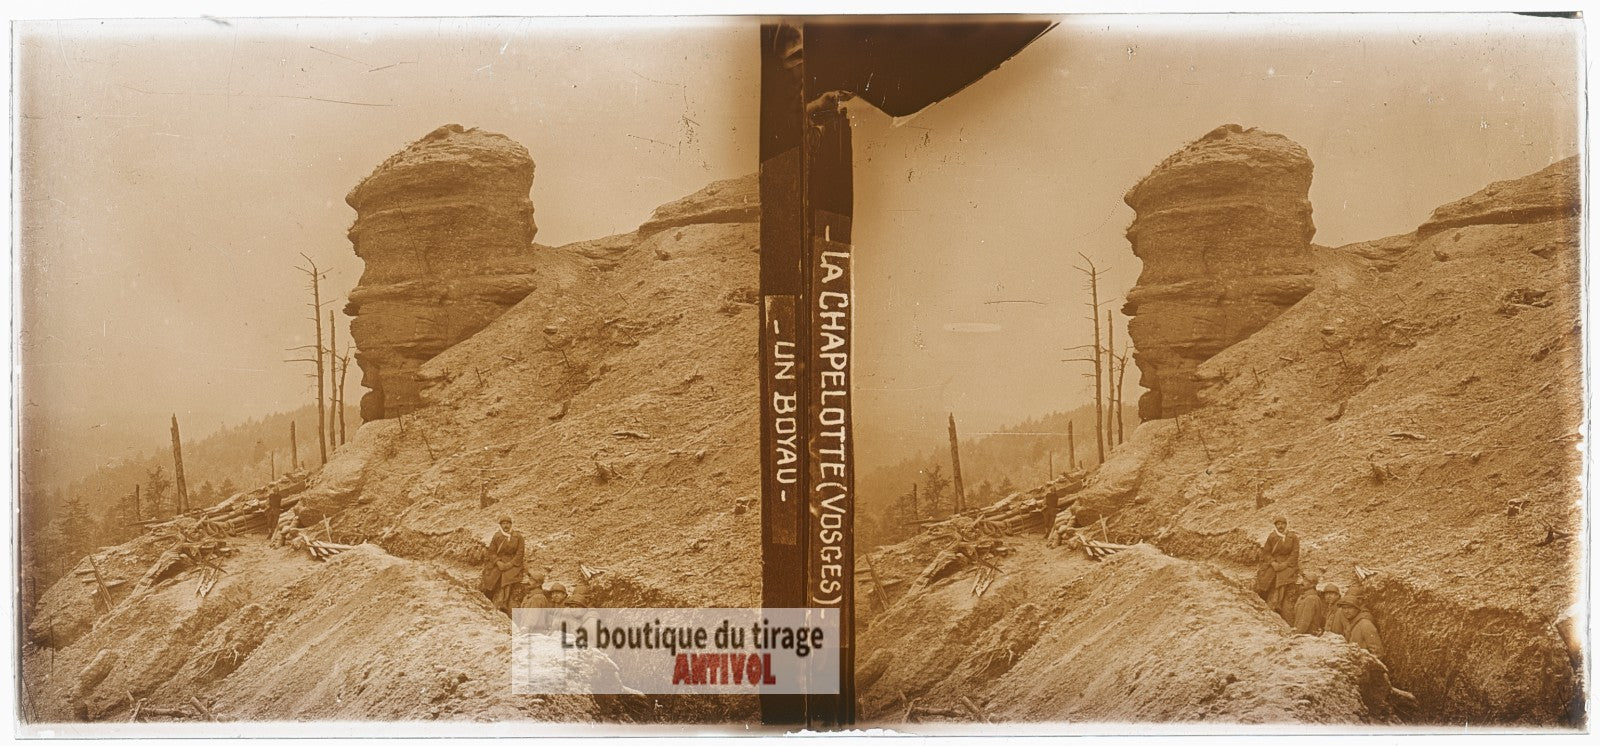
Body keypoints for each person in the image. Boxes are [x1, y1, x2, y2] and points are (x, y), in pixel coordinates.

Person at [1254, 516, 1300, 621]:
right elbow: (1266, 553)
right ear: (1275, 526)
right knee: (1267, 576)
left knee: (1283, 577)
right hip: (1274, 561)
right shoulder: (1272, 537)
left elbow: (1295, 553)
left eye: (1282, 524)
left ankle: (1278, 602)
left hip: (1288, 563)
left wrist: (1286, 564)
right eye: (1278, 524)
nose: (1281, 526)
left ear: (1286, 525)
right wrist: (1273, 563)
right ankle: (1260, 595)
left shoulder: (1293, 537)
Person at [480, 516, 526, 615]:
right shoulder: (497, 536)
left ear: (511, 524)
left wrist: (510, 564)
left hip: (513, 562)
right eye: (503, 523)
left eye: (508, 523)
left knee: (508, 576)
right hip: (500, 561)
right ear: (500, 525)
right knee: (492, 575)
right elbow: (491, 552)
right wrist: (497, 562)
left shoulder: (518, 536)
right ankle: (487, 594)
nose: (506, 525)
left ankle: (505, 602)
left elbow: (520, 553)